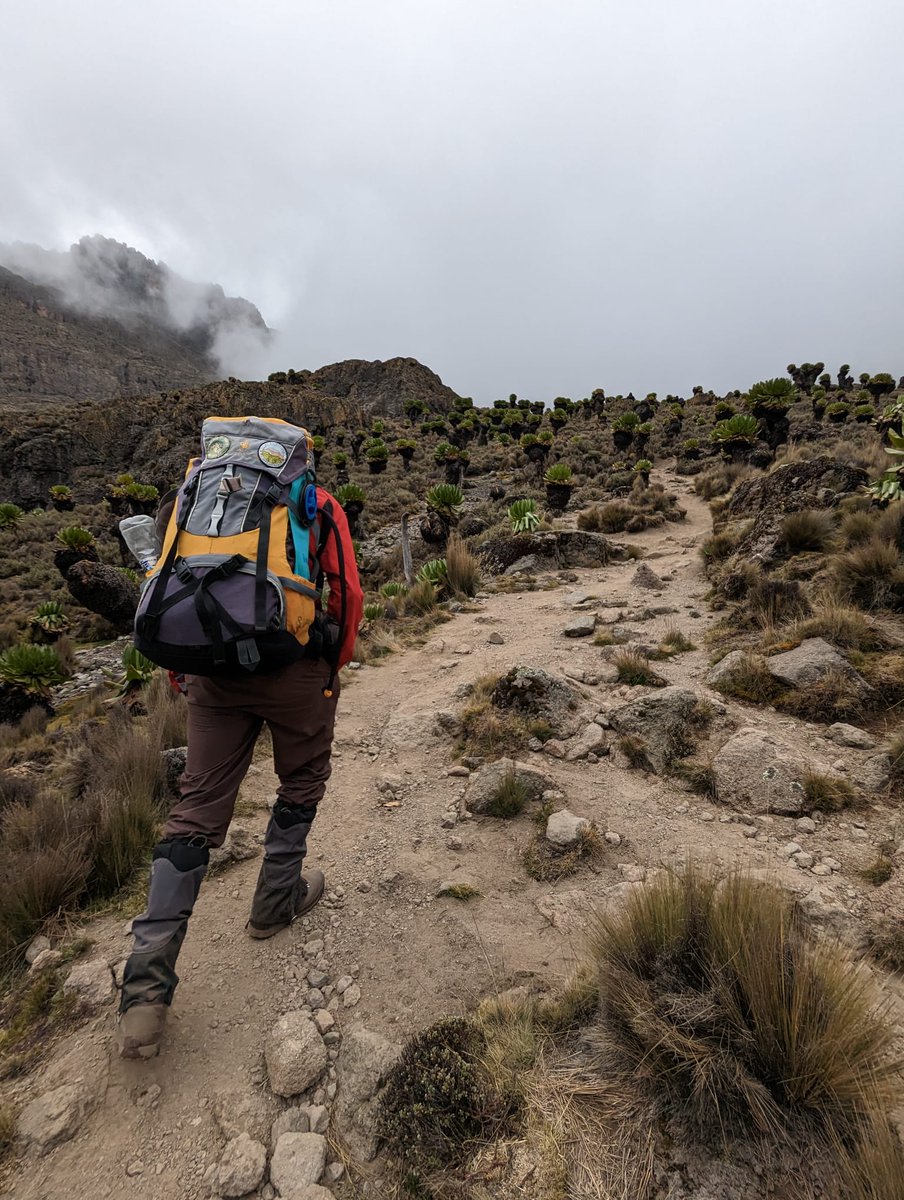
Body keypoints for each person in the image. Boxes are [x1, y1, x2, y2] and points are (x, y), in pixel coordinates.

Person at [116, 433, 363, 1060]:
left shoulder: (193, 501)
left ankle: (144, 993)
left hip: (211, 676)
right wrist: (330, 667)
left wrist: (186, 675)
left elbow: (169, 582)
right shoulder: (317, 503)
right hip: (294, 672)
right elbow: (349, 594)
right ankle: (273, 901)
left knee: (195, 810)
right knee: (303, 777)